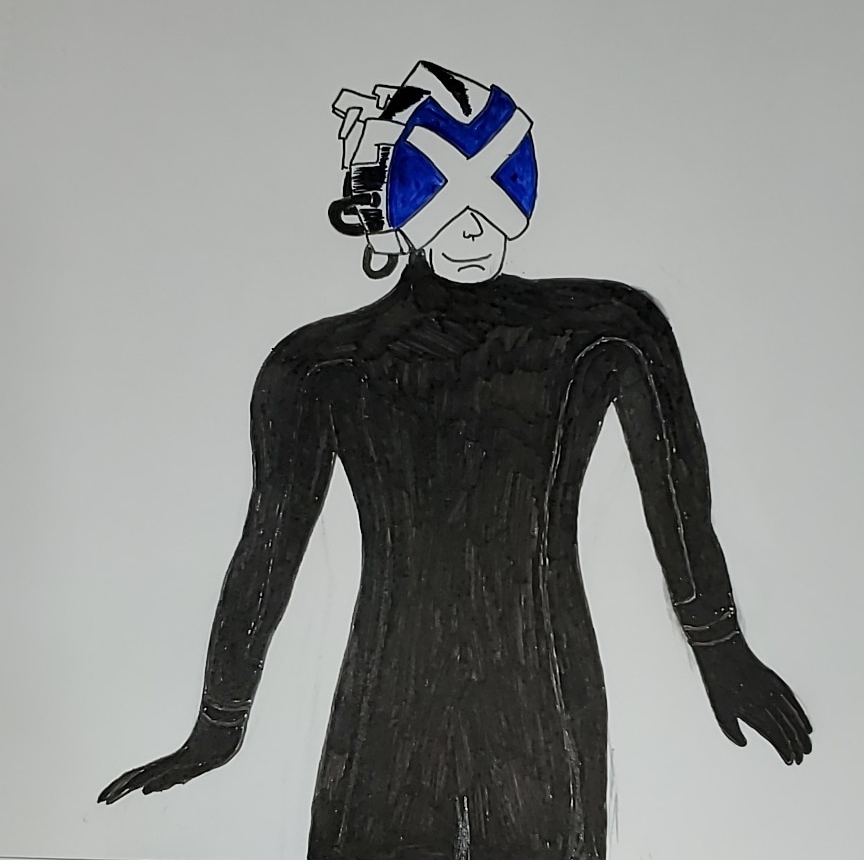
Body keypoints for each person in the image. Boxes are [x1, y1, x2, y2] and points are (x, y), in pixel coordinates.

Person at [99, 62, 812, 860]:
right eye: (439, 191)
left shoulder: (605, 329)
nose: (473, 226)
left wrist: (721, 648)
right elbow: (269, 550)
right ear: (386, 198)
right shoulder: (321, 365)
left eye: (502, 187)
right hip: (406, 696)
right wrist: (218, 725)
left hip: (532, 691)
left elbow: (676, 498)